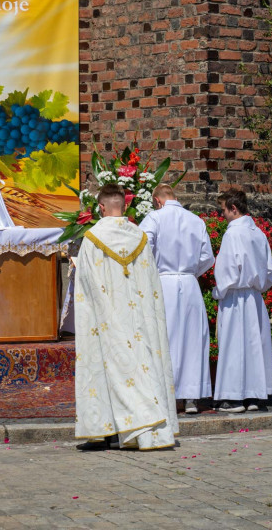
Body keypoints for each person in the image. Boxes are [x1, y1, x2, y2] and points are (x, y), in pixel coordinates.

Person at [75, 184, 178, 450]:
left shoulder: (92, 239)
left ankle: (105, 430)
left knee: (102, 363)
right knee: (140, 364)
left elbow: (87, 284)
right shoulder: (140, 238)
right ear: (125, 206)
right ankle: (143, 425)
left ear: (100, 207)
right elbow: (151, 284)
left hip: (104, 313)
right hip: (138, 318)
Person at [139, 184, 214, 414]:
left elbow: (143, 247)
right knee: (192, 339)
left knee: (165, 338)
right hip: (190, 283)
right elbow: (208, 257)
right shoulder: (195, 220)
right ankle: (191, 398)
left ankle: (167, 395)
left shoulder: (154, 218)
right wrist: (190, 272)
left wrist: (152, 272)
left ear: (157, 200)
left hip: (163, 282)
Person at [213, 188, 272, 413]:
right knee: (253, 346)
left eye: (223, 211)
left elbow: (227, 268)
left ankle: (233, 397)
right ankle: (254, 395)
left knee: (234, 344)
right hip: (254, 296)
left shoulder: (233, 233)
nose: (222, 216)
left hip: (236, 295)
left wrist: (218, 291)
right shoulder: (258, 233)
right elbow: (269, 270)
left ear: (233, 208)